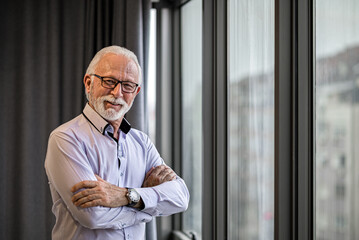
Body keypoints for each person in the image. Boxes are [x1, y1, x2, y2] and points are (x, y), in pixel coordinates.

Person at [44, 45, 190, 240]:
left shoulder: (142, 142)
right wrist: (148, 206)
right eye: (109, 81)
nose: (117, 92)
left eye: (127, 85)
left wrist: (125, 196)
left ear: (136, 92)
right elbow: (92, 216)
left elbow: (181, 198)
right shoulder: (65, 139)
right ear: (89, 83)